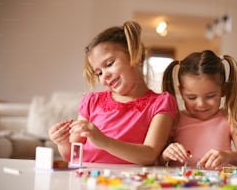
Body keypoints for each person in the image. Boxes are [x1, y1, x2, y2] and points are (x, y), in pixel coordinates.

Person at [48, 21, 177, 165]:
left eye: (109, 64)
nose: (104, 76)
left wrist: (103, 141)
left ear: (135, 55)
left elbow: (148, 155)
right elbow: (73, 154)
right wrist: (62, 142)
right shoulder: (92, 101)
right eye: (99, 73)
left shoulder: (161, 103)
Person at [160, 50, 237, 170]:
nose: (201, 104)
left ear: (223, 90)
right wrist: (165, 155)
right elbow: (155, 159)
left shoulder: (229, 118)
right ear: (181, 92)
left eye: (210, 96)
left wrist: (228, 156)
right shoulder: (174, 120)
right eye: (192, 97)